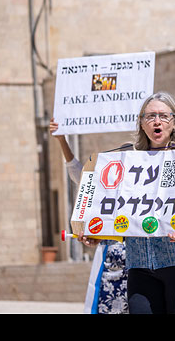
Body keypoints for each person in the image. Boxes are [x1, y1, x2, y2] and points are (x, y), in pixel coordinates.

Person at [72, 91, 175, 314]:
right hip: (141, 266)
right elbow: (122, 215)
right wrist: (99, 234)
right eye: (150, 116)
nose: (157, 122)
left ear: (174, 122)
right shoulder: (127, 165)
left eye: (164, 116)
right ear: (142, 124)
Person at [50, 118, 129, 314]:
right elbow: (80, 175)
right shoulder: (105, 187)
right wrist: (62, 140)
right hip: (110, 264)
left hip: (140, 265)